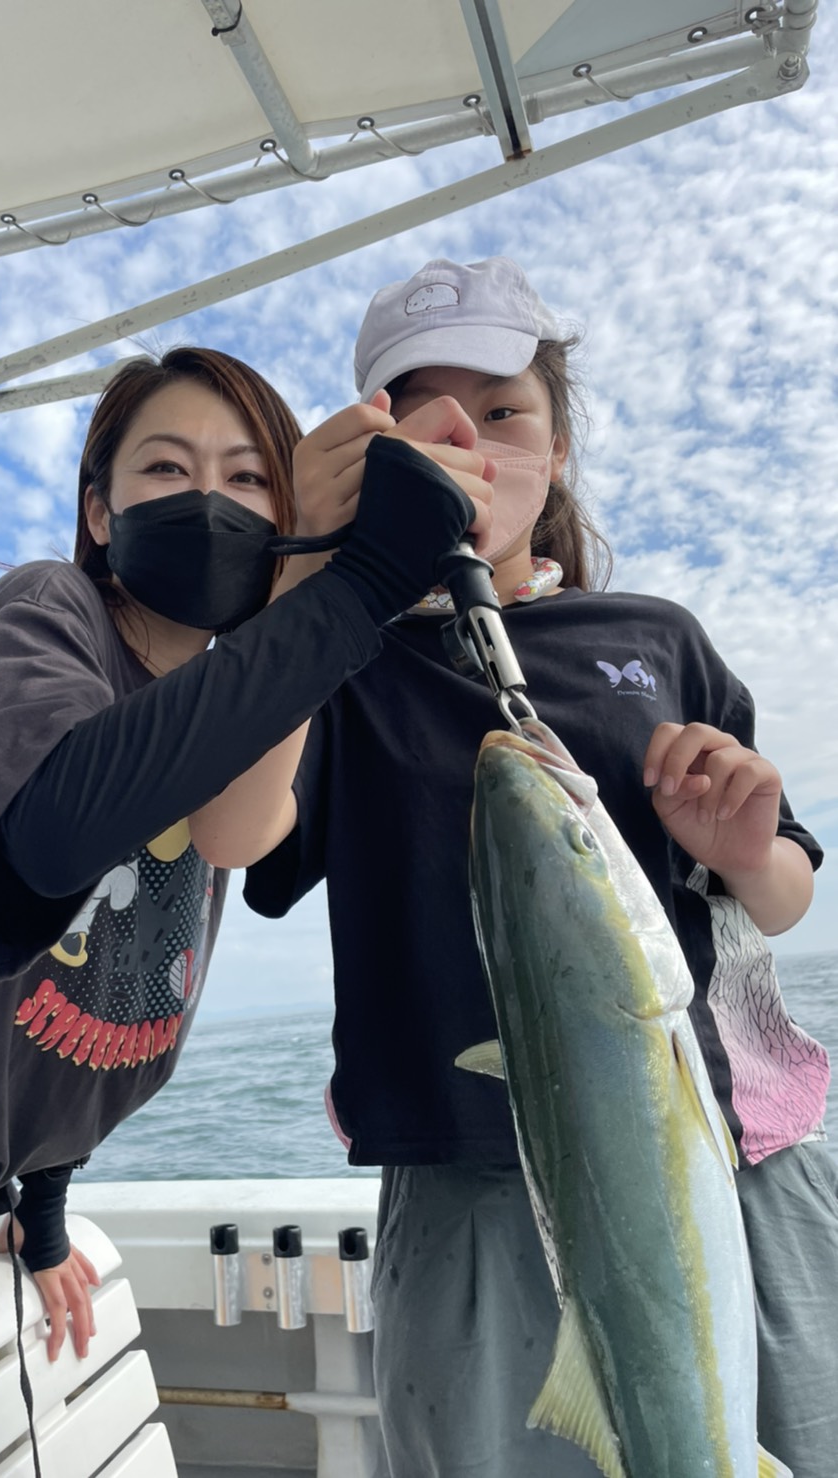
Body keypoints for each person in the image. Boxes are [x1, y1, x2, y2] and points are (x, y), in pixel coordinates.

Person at [0, 343, 490, 1473]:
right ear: (100, 511)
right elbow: (18, 879)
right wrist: (359, 581)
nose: (210, 499)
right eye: (166, 468)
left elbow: (101, 989)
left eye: (249, 479)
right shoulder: (47, 610)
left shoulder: (230, 713)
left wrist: (41, 1217)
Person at [193, 259, 838, 1478]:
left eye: (503, 411)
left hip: (728, 1163)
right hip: (467, 1200)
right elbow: (232, 836)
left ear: (558, 447)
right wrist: (301, 576)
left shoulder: (654, 636)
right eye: (420, 420)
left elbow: (784, 888)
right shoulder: (336, 663)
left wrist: (747, 852)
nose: (467, 444)